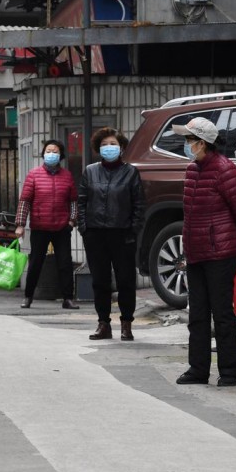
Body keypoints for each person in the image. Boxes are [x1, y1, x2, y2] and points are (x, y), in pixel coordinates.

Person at [172, 117, 236, 388]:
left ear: (202, 143)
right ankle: (198, 369)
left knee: (222, 313)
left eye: (189, 140)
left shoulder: (225, 169)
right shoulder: (193, 170)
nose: (187, 145)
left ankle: (229, 372)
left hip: (220, 251)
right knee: (198, 315)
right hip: (196, 251)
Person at [78, 127, 145, 341]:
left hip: (123, 234)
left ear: (122, 147)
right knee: (100, 280)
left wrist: (133, 229)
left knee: (126, 280)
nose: (109, 148)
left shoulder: (130, 172)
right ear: (98, 148)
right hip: (95, 234)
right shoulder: (90, 171)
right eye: (105, 145)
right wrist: (84, 227)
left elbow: (139, 204)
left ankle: (126, 323)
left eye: (113, 144)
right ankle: (103, 323)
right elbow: (81, 201)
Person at [15, 139, 79, 310]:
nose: (52, 154)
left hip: (61, 228)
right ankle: (28, 297)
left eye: (55, 151)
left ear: (61, 155)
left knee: (65, 263)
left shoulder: (67, 176)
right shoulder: (34, 174)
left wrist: (72, 221)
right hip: (40, 227)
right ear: (43, 154)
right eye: (49, 151)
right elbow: (25, 201)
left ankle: (68, 298)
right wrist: (20, 224)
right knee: (35, 263)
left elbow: (73, 201)